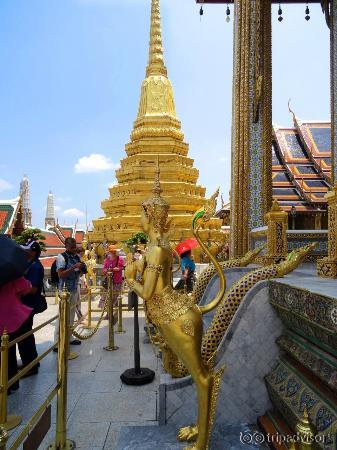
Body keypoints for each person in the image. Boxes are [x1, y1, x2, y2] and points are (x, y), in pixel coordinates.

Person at [0, 277, 32, 393]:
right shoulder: (10, 272)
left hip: (6, 317)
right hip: (9, 317)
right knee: (10, 350)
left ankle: (5, 384)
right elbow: (27, 287)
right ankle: (11, 383)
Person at [54, 237, 87, 349]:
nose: (74, 249)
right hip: (64, 291)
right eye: (72, 247)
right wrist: (74, 267)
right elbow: (61, 274)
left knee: (72, 314)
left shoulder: (76, 257)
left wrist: (82, 269)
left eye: (75, 247)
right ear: (66, 246)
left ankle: (69, 337)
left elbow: (81, 273)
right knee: (62, 315)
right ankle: (57, 341)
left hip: (74, 288)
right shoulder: (61, 257)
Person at [19, 241, 45, 376]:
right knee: (26, 334)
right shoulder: (29, 264)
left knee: (24, 335)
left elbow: (33, 289)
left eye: (27, 250)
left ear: (33, 251)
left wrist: (17, 291)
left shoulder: (35, 267)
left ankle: (30, 366)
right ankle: (31, 361)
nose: (24, 251)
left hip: (28, 305)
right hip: (24, 305)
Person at [100, 245, 125, 316]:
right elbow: (104, 270)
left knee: (114, 298)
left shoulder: (120, 259)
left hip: (117, 281)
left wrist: (113, 269)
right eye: (112, 252)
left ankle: (112, 313)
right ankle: (109, 313)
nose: (113, 253)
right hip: (108, 281)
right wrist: (107, 270)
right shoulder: (106, 260)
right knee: (107, 298)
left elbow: (121, 268)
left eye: (114, 252)